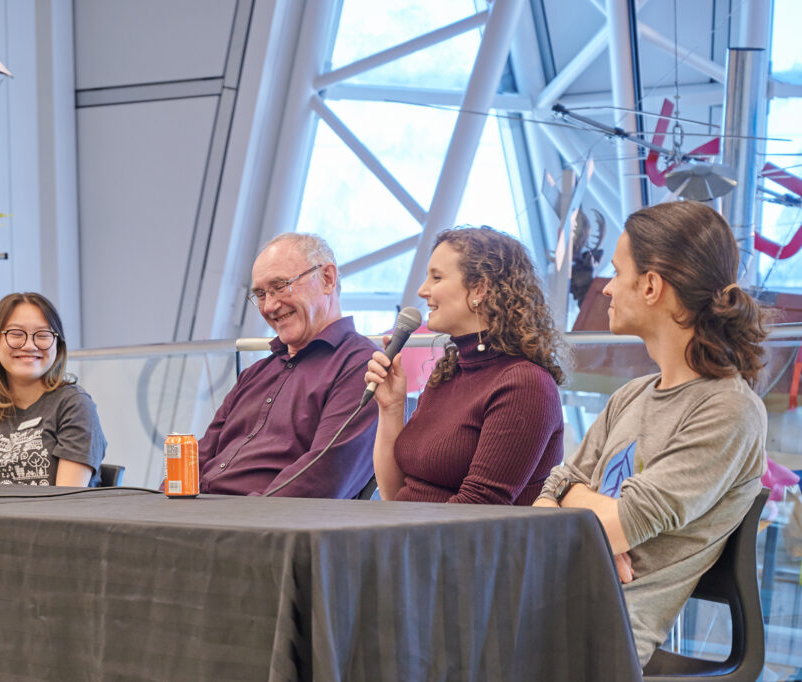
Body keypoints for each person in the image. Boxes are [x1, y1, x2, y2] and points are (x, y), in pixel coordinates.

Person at [533, 200, 768, 666]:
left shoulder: (730, 410)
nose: (607, 290)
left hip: (598, 638)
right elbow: (549, 494)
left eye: (618, 272)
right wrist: (593, 534)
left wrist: (580, 506)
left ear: (652, 285)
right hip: (553, 610)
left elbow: (617, 522)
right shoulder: (631, 395)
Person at [364, 226, 567, 504]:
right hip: (408, 536)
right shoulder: (449, 373)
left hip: (443, 543)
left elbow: (476, 513)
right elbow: (394, 493)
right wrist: (391, 408)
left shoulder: (526, 385)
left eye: (436, 277)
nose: (423, 290)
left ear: (479, 288)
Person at [196, 233, 378, 497]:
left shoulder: (362, 368)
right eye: (260, 294)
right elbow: (199, 457)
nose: (270, 306)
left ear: (327, 279)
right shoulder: (256, 373)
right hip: (197, 518)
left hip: (254, 529)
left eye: (280, 286)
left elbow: (323, 479)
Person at [0, 292, 106, 486]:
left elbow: (66, 503)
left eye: (43, 335)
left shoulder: (74, 405)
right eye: (16, 334)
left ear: (57, 346)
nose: (29, 345)